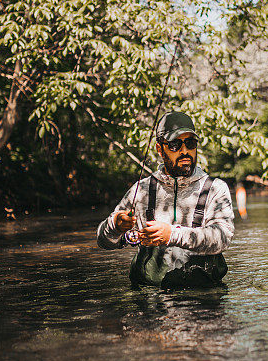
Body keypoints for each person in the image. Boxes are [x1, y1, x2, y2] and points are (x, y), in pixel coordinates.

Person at [97, 112, 235, 288]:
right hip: (149, 298)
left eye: (190, 143)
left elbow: (222, 238)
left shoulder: (215, 188)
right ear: (160, 149)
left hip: (202, 297)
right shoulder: (142, 190)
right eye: (175, 144)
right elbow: (103, 241)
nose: (185, 151)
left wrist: (171, 234)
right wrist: (115, 226)